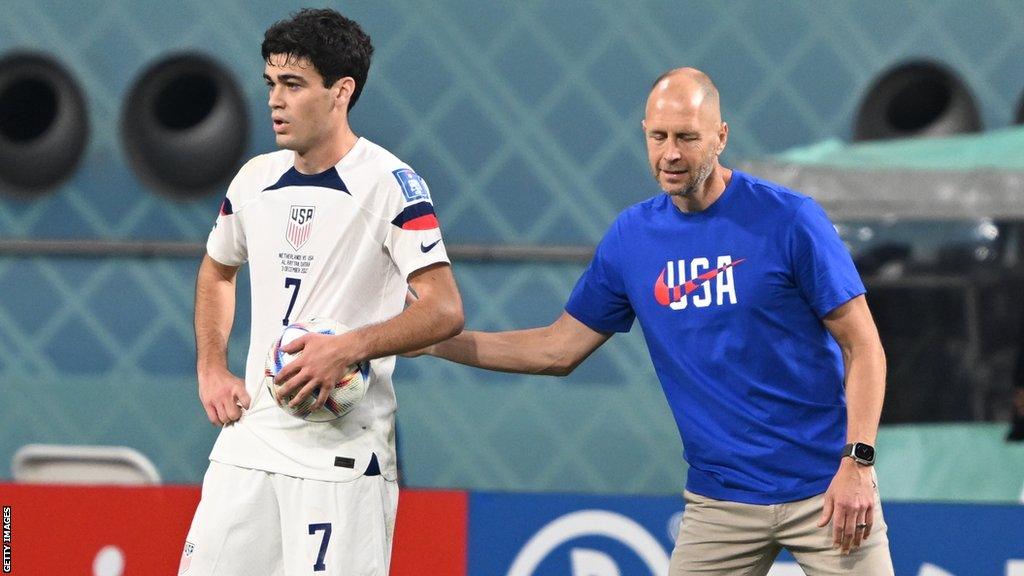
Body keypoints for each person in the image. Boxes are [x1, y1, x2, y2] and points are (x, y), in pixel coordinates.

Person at [413, 68, 894, 574]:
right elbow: (555, 350)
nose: (670, 154)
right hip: (720, 502)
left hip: (825, 489)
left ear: (720, 136)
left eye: (687, 137)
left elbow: (863, 346)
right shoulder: (631, 238)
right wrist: (435, 341)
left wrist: (857, 463)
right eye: (658, 136)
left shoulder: (791, 219)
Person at [182, 8, 464, 575]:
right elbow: (217, 271)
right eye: (270, 84)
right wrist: (211, 366)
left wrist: (349, 347)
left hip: (342, 456)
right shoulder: (252, 180)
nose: (275, 101)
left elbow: (444, 309)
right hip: (250, 443)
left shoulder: (392, 185)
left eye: (293, 85)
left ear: (342, 91)